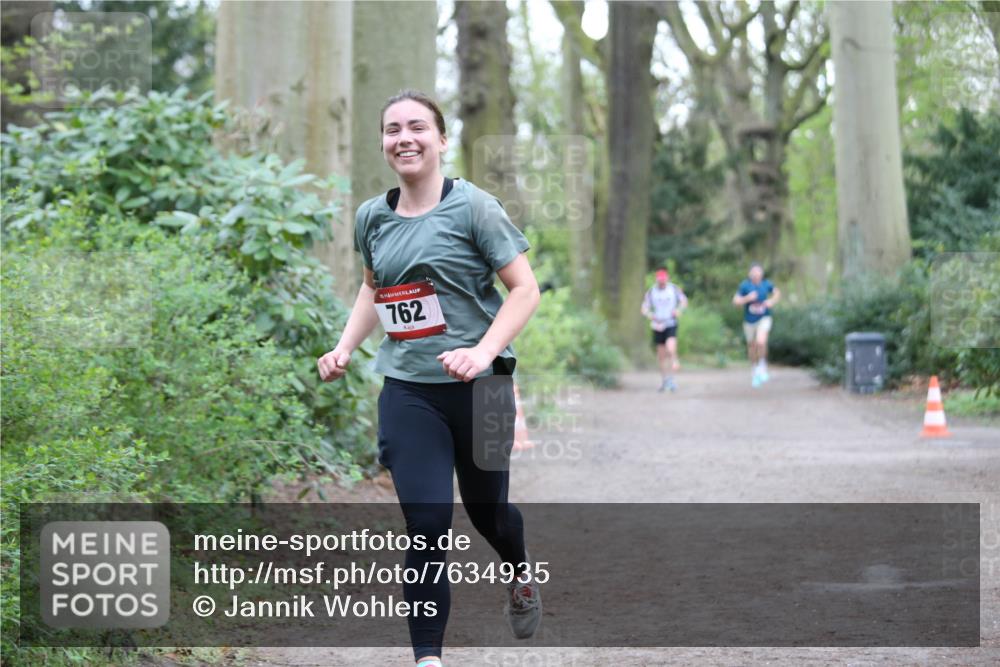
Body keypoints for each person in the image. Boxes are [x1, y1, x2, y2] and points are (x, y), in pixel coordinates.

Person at [316, 90, 542, 667]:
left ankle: (517, 571)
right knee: (427, 524)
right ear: (383, 144)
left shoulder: (474, 208)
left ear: (442, 140)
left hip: (486, 391)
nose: (404, 138)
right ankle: (428, 659)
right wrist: (343, 348)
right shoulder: (372, 216)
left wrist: (483, 352)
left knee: (491, 512)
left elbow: (525, 289)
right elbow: (375, 289)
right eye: (393, 130)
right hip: (410, 389)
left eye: (418, 127)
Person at [732, 263, 780, 387]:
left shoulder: (767, 284)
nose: (756, 274)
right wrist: (747, 298)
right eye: (753, 272)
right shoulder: (745, 286)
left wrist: (772, 301)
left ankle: (762, 365)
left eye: (758, 272)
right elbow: (735, 302)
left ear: (761, 274)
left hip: (764, 318)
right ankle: (754, 368)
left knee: (761, 342)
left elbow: (777, 293)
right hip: (749, 321)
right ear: (750, 274)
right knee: (752, 346)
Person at [641, 268, 688, 392]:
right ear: (657, 280)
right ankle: (665, 380)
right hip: (658, 325)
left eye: (663, 280)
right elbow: (644, 307)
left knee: (670, 347)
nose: (662, 283)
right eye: (660, 281)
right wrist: (649, 315)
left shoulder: (673, 289)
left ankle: (673, 366)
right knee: (661, 355)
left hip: (670, 322)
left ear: (667, 279)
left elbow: (684, 301)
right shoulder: (651, 291)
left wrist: (679, 310)